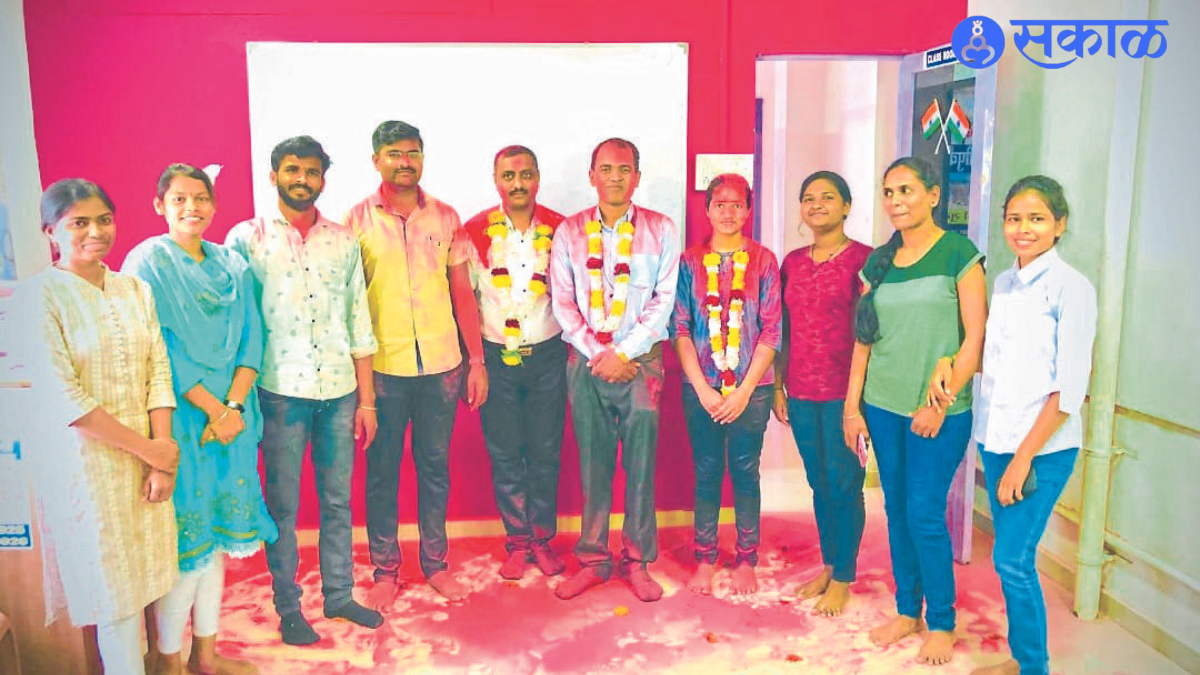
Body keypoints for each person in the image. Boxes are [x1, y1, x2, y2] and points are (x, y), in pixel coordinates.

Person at [929, 177, 1096, 675]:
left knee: (1012, 560)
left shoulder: (1071, 288)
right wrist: (948, 361)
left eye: (1037, 218)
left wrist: (1023, 458)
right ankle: (1024, 658)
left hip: (1041, 449)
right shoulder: (1003, 282)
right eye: (1015, 219)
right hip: (997, 439)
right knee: (1012, 559)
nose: (1024, 229)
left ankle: (1034, 667)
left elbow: (1069, 389)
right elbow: (993, 360)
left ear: (1060, 224)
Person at [226, 136, 383, 646]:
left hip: (338, 390)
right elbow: (237, 325)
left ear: (323, 179)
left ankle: (339, 595)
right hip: (279, 392)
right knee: (284, 507)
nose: (302, 179)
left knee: (338, 502)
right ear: (273, 176)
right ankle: (289, 606)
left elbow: (359, 321)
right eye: (292, 169)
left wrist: (366, 400)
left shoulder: (342, 240)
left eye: (312, 171)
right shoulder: (246, 239)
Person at [20, 178, 179, 675]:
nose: (96, 232)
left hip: (148, 457)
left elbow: (159, 370)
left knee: (155, 577)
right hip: (86, 466)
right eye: (79, 223)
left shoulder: (134, 288)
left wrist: (161, 451)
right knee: (115, 599)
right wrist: (150, 452)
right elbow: (65, 397)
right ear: (51, 232)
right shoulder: (38, 297)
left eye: (104, 220)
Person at [124, 164, 279, 675]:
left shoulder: (232, 263)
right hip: (182, 422)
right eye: (179, 199)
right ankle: (169, 663)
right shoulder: (148, 262)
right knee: (186, 549)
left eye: (201, 198)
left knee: (215, 543)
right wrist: (212, 409)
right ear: (159, 205)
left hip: (233, 423)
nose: (192, 208)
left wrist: (233, 407)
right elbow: (159, 347)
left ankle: (205, 657)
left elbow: (252, 338)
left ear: (214, 204)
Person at [844, 156, 986, 665]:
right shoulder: (878, 263)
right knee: (897, 507)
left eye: (906, 190)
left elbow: (975, 339)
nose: (896, 201)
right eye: (888, 192)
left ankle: (942, 621)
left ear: (932, 195)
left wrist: (941, 403)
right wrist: (851, 408)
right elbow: (864, 340)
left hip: (939, 412)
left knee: (925, 511)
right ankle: (908, 611)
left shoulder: (959, 253)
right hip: (881, 405)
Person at [344, 120, 488, 607]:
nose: (404, 161)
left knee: (434, 467)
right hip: (383, 370)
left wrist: (477, 361)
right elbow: (349, 302)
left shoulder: (446, 217)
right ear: (376, 160)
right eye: (394, 153)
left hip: (442, 367)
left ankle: (435, 564)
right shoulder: (356, 222)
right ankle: (386, 569)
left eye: (412, 153)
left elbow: (463, 293)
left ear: (422, 157)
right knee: (381, 470)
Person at [549, 137, 680, 602]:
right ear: (592, 176)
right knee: (593, 463)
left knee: (641, 466)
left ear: (637, 177)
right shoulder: (568, 233)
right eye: (606, 169)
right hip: (586, 361)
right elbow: (563, 302)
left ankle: (638, 561)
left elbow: (664, 300)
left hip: (641, 362)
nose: (615, 177)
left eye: (624, 169)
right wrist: (599, 353)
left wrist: (624, 353)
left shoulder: (662, 230)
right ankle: (592, 559)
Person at [671, 173, 781, 596]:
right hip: (701, 387)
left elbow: (772, 332)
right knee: (706, 471)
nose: (729, 212)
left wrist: (743, 390)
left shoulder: (764, 261)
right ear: (708, 209)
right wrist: (702, 388)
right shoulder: (689, 262)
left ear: (748, 210)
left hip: (751, 390)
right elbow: (680, 327)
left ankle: (747, 558)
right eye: (721, 204)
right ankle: (705, 558)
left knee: (745, 470)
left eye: (738, 204)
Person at [463, 145, 568, 580]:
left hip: (547, 356)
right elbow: (467, 300)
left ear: (538, 177)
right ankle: (517, 542)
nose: (518, 184)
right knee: (505, 454)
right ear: (496, 180)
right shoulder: (474, 232)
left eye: (525, 175)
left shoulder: (562, 230)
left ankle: (542, 541)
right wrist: (475, 363)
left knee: (545, 453)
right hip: (496, 359)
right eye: (509, 176)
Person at [773, 170, 873, 616]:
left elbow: (871, 333)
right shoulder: (792, 262)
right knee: (818, 482)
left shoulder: (865, 261)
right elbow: (783, 330)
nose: (817, 205)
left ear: (846, 206)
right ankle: (831, 565)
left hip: (845, 395)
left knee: (845, 482)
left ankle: (845, 577)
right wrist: (778, 384)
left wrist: (857, 403)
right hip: (801, 390)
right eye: (808, 198)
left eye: (828, 198)